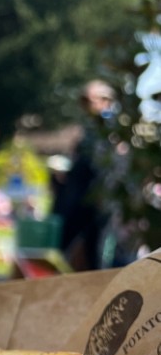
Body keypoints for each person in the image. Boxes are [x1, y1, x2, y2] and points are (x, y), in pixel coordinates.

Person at [53, 81, 115, 271]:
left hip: (96, 197)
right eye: (83, 101)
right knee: (67, 243)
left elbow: (105, 163)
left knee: (96, 247)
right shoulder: (90, 128)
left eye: (90, 101)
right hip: (79, 196)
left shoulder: (111, 127)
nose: (86, 106)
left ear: (106, 101)